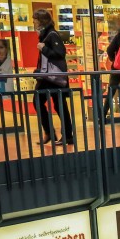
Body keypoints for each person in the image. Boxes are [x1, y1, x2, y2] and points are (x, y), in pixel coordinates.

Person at [32, 8, 74, 147]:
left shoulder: (51, 34)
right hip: (47, 77)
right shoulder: (46, 34)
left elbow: (60, 53)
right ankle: (52, 132)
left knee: (59, 105)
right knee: (41, 102)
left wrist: (43, 48)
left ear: (41, 21)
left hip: (53, 77)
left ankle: (66, 135)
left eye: (35, 20)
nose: (33, 23)